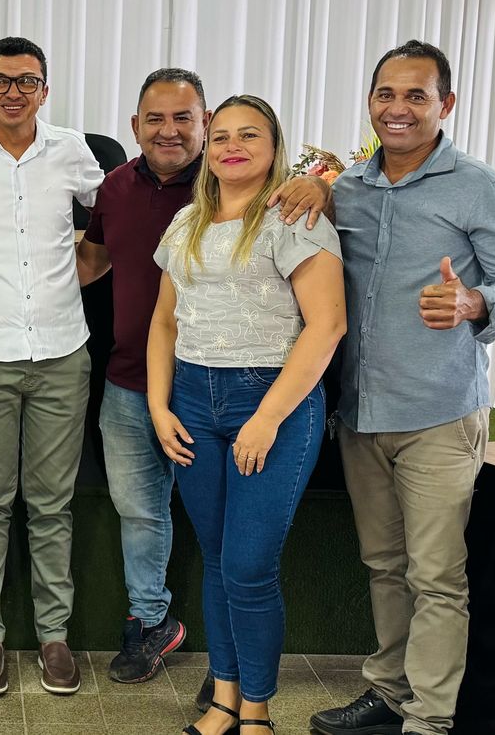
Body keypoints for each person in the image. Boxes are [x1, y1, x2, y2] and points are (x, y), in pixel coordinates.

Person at [310, 42, 495, 735]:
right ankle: (389, 692)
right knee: (385, 565)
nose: (398, 108)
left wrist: (474, 301)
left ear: (446, 104)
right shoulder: (349, 186)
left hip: (440, 413)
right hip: (361, 413)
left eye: (417, 95)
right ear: (370, 100)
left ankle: (431, 719)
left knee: (437, 576)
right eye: (386, 93)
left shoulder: (479, 186)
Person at [76, 69, 330, 692]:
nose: (171, 130)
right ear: (134, 126)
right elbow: (116, 282)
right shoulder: (139, 198)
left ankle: (248, 698)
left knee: (243, 562)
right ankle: (184, 652)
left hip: (254, 395)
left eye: (186, 119)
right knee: (165, 526)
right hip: (149, 386)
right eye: (155, 119)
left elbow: (327, 322)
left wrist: (324, 184)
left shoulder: (284, 208)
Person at [147, 94, 346, 735]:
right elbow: (164, 321)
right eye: (223, 135)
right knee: (215, 559)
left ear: (274, 145)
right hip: (192, 400)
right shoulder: (186, 223)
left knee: (249, 567)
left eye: (250, 135)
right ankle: (224, 700)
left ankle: (257, 710)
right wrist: (158, 404)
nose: (233, 146)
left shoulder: (295, 219)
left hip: (273, 400)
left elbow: (327, 325)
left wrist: (266, 419)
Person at [0, 37, 100, 696]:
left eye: (26, 81)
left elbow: (120, 217)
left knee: (52, 504)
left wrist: (76, 275)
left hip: (62, 353)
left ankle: (54, 636)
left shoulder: (72, 152)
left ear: (44, 90)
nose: (13, 92)